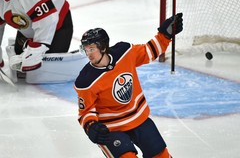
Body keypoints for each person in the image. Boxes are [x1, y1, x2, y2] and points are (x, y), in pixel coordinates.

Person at [74, 13, 183, 158]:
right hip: (111, 128)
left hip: (138, 118)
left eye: (92, 48)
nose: (88, 54)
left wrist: (165, 35)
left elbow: (148, 52)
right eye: (86, 49)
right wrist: (91, 127)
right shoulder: (85, 81)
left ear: (103, 47)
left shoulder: (124, 52)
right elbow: (85, 113)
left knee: (161, 155)